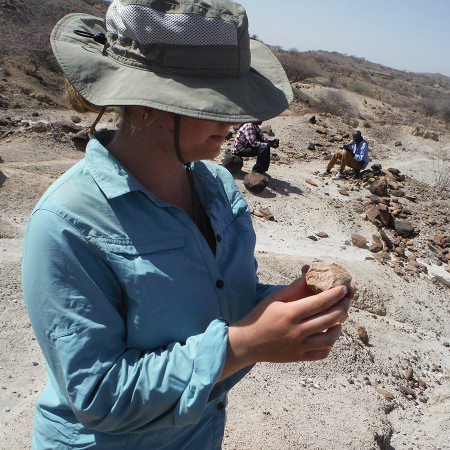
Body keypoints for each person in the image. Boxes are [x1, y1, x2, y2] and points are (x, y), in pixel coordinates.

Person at [21, 1, 353, 448]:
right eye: (211, 100)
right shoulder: (67, 222)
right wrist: (244, 346)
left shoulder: (218, 188)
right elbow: (98, 395)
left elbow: (219, 299)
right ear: (147, 104)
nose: (235, 116)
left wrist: (289, 304)